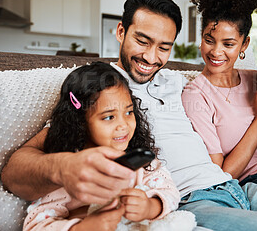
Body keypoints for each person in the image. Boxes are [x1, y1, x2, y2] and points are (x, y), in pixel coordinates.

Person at [1, 0, 257, 231]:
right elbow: (16, 168)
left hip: (237, 187)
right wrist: (65, 165)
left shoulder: (176, 80)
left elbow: (255, 75)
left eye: (164, 47)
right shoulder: (102, 88)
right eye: (142, 40)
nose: (152, 57)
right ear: (120, 31)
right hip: (189, 198)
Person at [22, 62, 180, 231]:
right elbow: (36, 224)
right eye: (108, 117)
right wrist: (81, 228)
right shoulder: (69, 174)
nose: (123, 125)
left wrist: (150, 206)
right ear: (81, 122)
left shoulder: (140, 162)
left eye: (128, 112)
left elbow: (170, 192)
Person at [181, 0, 257, 187]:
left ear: (244, 44)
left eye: (228, 44)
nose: (216, 52)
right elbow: (220, 174)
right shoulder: (196, 95)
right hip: (252, 184)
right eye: (209, 40)